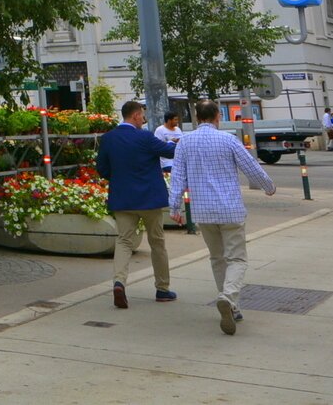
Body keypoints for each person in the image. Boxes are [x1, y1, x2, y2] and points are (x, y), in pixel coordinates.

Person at [169, 100, 277, 335]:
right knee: (237, 259)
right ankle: (228, 297)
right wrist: (268, 186)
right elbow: (250, 166)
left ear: (197, 117)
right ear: (218, 116)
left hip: (203, 211)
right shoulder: (228, 139)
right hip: (230, 209)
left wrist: (174, 207)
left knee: (217, 258)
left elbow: (178, 176)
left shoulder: (185, 141)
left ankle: (231, 305)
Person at [96, 99, 179, 308]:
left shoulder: (108, 138)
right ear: (135, 116)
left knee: (124, 241)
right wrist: (177, 142)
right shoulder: (145, 137)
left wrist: (119, 178)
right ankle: (162, 289)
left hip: (123, 199)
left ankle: (119, 283)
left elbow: (102, 169)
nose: (143, 119)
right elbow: (170, 152)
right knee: (157, 242)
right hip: (150, 199)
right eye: (142, 115)